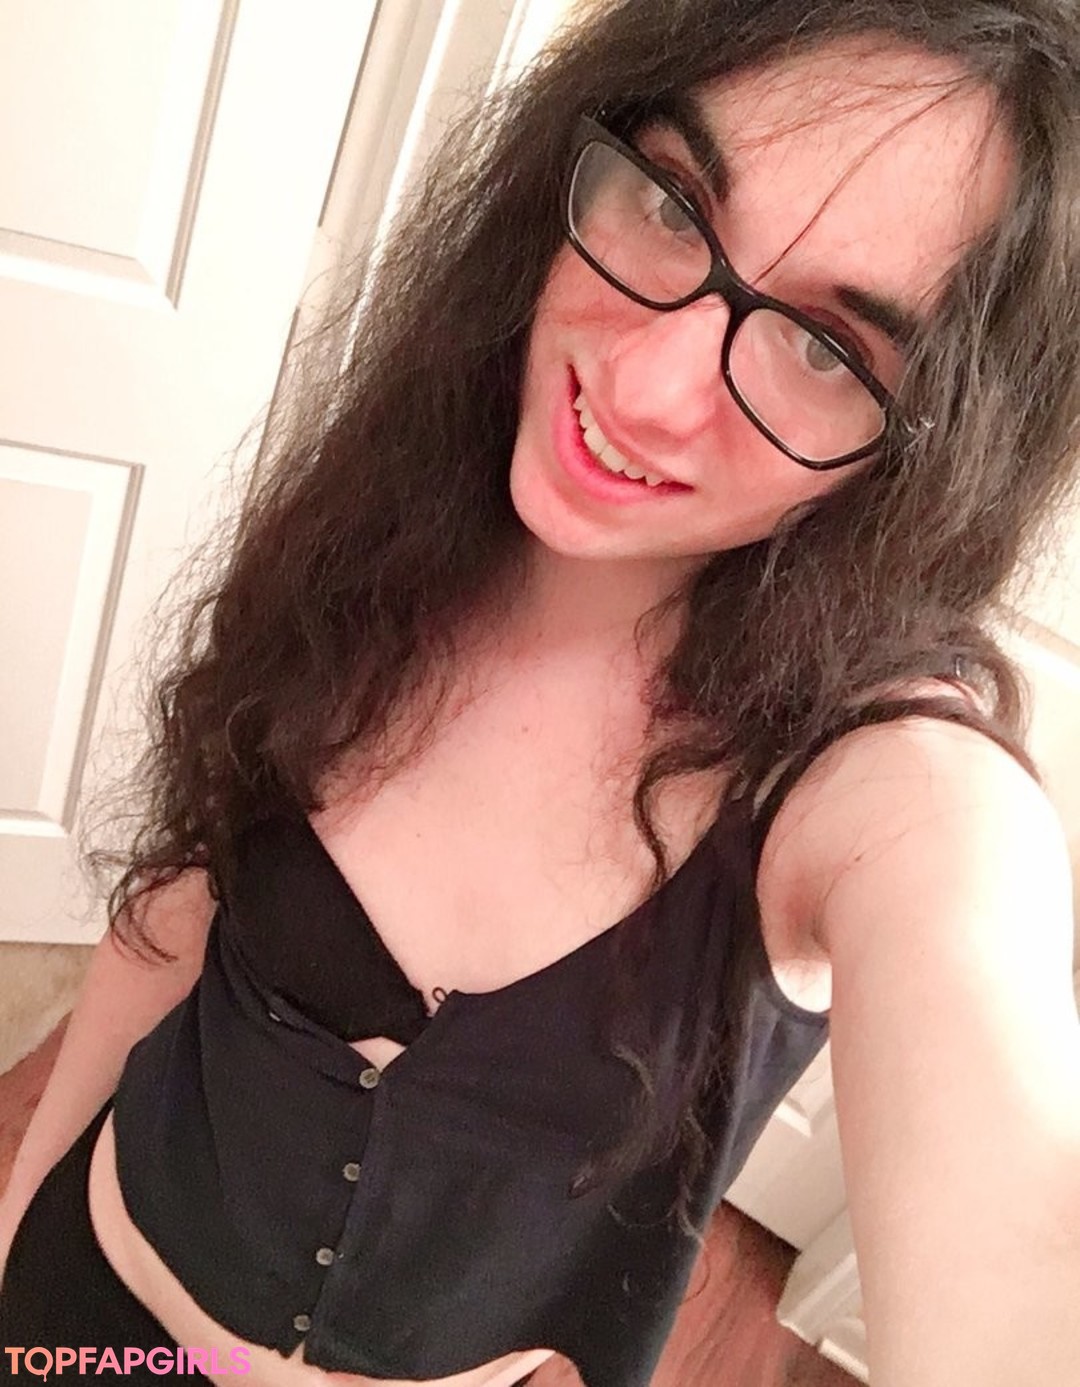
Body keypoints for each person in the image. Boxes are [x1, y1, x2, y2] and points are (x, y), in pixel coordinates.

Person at [3, 1, 1080, 1384]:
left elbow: (1012, 1183)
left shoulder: (880, 794)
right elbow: (171, 915)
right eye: (674, 205)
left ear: (930, 456)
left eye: (827, 350)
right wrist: (20, 1230)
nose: (643, 384)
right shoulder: (392, 520)